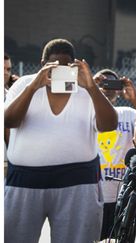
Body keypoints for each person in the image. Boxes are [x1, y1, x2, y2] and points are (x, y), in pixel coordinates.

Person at [4, 38, 118, 243]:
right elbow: (9, 120)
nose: (61, 71)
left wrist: (92, 86)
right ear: (42, 64)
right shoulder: (24, 84)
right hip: (25, 180)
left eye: (67, 66)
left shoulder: (86, 89)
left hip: (78, 180)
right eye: (54, 66)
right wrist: (33, 87)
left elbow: (109, 124)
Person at [93, 68, 136, 240]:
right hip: (94, 194)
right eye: (103, 84)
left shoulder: (129, 113)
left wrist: (134, 99)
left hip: (122, 193)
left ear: (119, 89)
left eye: (112, 84)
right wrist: (90, 89)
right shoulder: (87, 111)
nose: (107, 88)